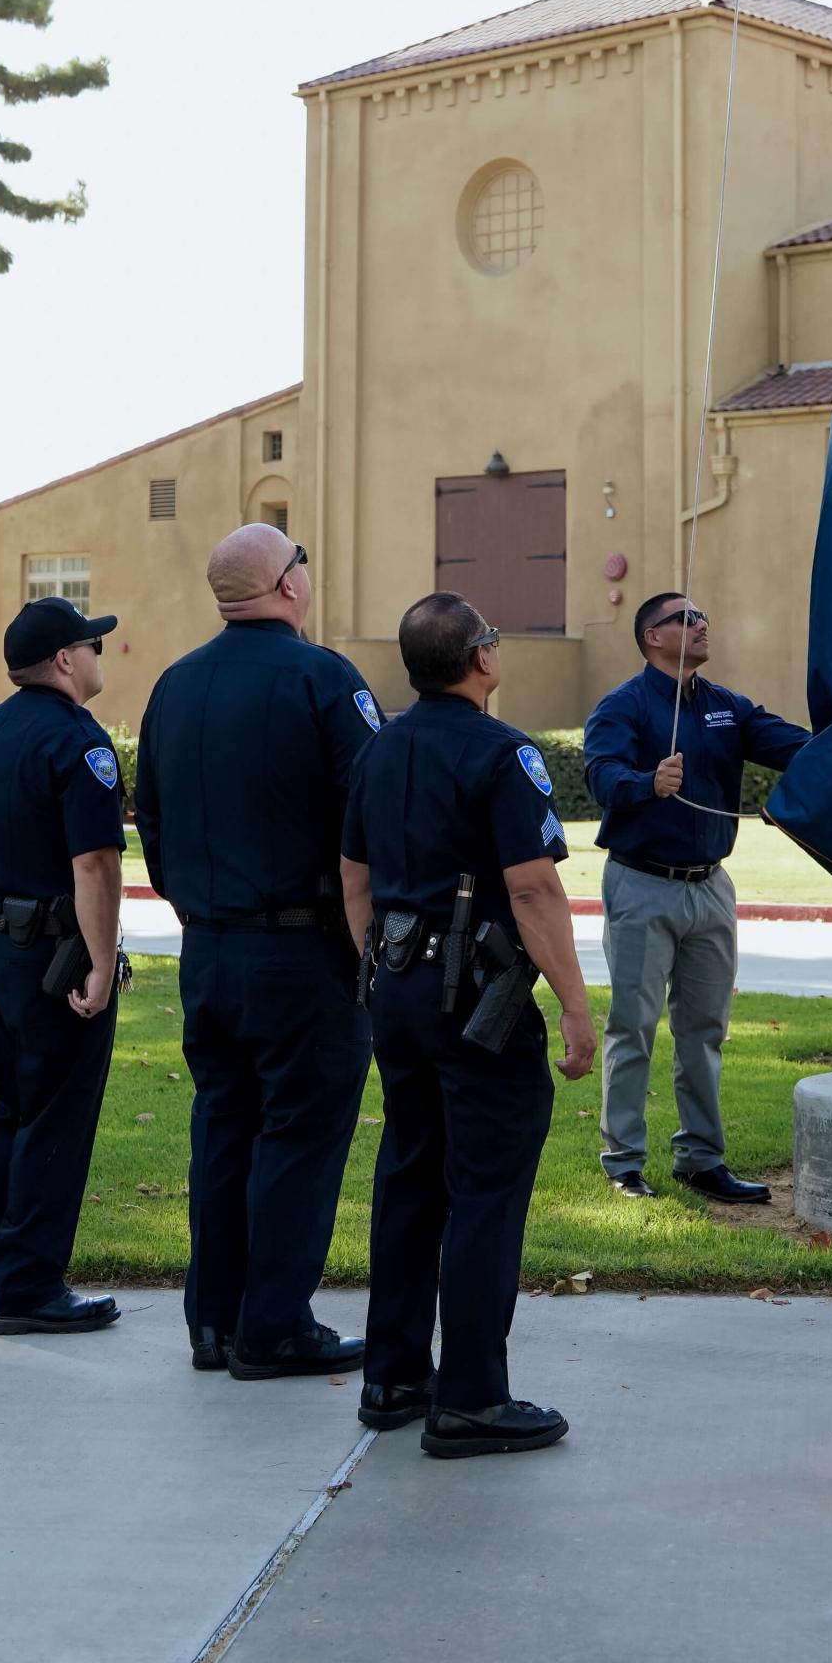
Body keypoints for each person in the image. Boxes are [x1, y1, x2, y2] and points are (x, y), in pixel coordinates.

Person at [341, 593, 597, 1461]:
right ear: (479, 658)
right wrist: (571, 1002)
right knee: (485, 1185)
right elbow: (531, 888)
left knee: (411, 1173)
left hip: (399, 986)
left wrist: (379, 969)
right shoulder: (503, 750)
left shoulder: (377, 748)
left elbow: (353, 878)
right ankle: (473, 1399)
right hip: (474, 997)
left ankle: (394, 1376)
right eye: (492, 637)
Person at [134, 523, 379, 1380]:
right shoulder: (324, 678)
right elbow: (371, 812)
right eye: (301, 561)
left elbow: (151, 822)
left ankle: (215, 1320)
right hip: (303, 950)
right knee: (299, 1136)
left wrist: (202, 905)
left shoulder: (174, 684)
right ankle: (273, 1325)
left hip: (208, 949)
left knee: (223, 1129)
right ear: (286, 585)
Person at [583, 592, 809, 1204]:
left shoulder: (723, 706)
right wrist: (647, 782)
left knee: (704, 1031)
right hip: (641, 885)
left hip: (710, 887)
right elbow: (600, 775)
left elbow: (793, 746)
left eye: (703, 614)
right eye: (684, 618)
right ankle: (624, 1162)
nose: (701, 623)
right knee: (633, 1027)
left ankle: (700, 1159)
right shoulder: (623, 706)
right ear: (652, 637)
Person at [0, 594, 127, 1335]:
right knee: (55, 1117)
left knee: (11, 1111)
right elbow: (93, 861)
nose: (98, 654)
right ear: (65, 659)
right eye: (91, 644)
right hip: (55, 956)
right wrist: (100, 960)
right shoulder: (79, 742)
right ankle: (28, 1285)